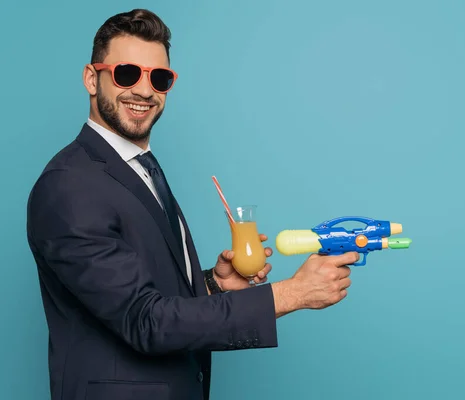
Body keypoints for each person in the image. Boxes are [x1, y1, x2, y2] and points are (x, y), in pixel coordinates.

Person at [26, 8, 356, 400]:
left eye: (160, 78)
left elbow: (143, 293)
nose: (145, 91)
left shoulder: (139, 168)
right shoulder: (70, 186)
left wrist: (213, 284)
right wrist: (292, 294)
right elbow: (145, 321)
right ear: (91, 79)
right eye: (127, 74)